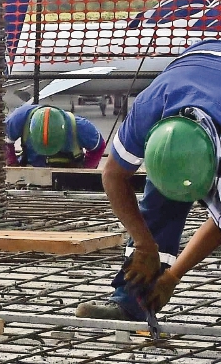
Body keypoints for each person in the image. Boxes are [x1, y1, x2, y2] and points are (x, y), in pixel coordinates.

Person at [76, 40, 221, 321]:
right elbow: (113, 175)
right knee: (164, 193)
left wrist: (174, 277)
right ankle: (132, 302)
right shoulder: (149, 108)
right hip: (194, 65)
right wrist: (145, 244)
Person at [5, 103, 105, 168]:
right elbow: (4, 142)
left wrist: (85, 170)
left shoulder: (81, 128)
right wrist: (13, 164)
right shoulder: (18, 119)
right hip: (32, 168)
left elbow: (98, 147)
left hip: (68, 172)